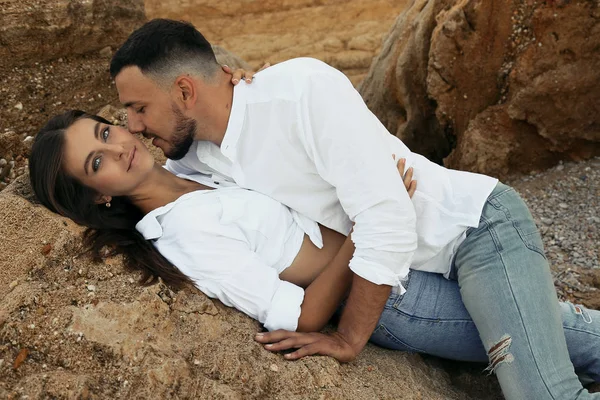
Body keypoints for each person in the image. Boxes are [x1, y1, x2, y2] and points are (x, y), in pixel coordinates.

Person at [29, 110, 600, 400]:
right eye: (96, 162)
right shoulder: (181, 238)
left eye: (104, 132)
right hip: (395, 298)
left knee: (564, 334)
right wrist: (366, 224)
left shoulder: (188, 168)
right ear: (97, 195)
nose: (117, 148)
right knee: (542, 364)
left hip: (410, 250)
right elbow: (298, 315)